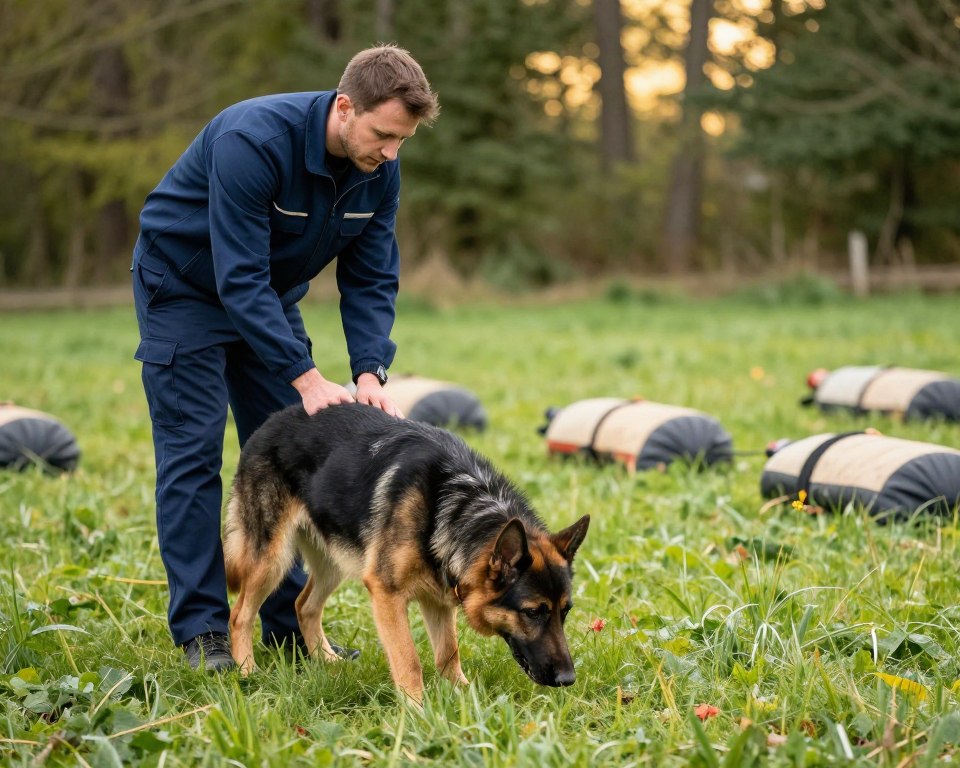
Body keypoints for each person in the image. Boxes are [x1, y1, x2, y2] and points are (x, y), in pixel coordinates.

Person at [131, 45, 439, 671]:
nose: (391, 152)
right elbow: (237, 274)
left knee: (288, 462)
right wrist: (304, 375)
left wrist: (369, 371)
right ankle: (203, 632)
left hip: (266, 299)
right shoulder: (254, 139)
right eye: (383, 135)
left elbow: (372, 276)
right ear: (344, 106)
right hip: (185, 289)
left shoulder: (381, 166)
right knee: (192, 456)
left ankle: (282, 627)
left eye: (403, 141)